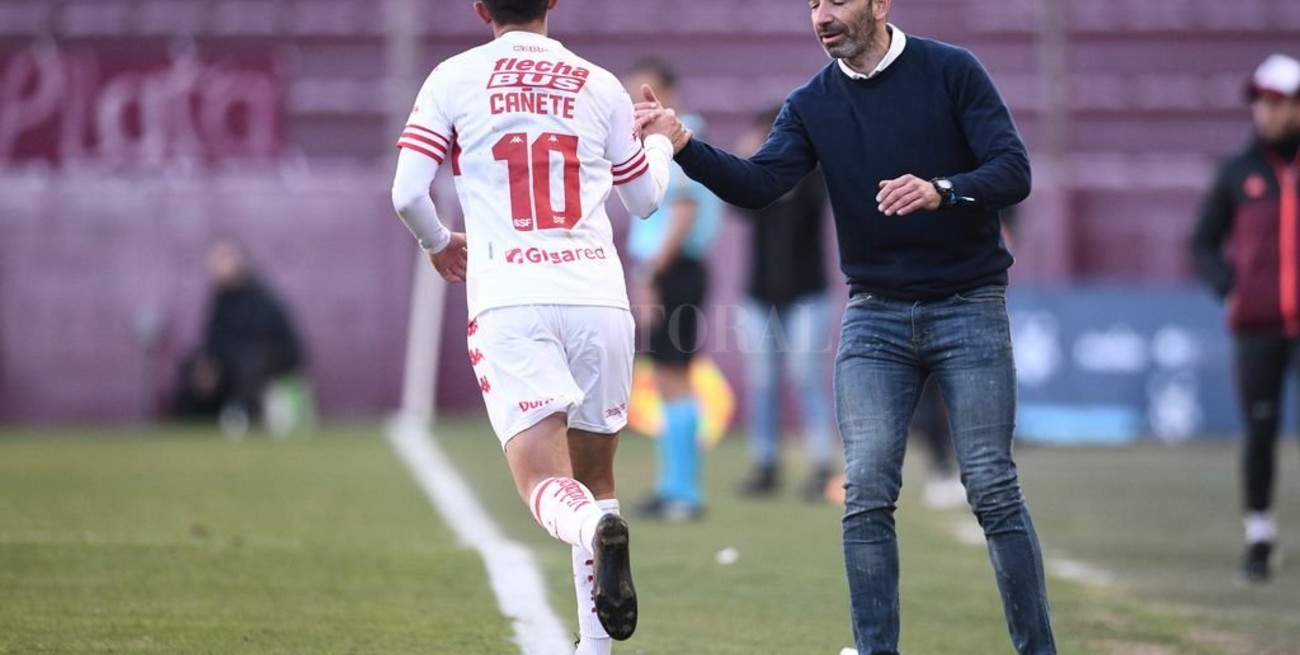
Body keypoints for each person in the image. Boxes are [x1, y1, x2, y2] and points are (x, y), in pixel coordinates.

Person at [636, 0, 1056, 652]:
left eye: (836, 0)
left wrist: (941, 188)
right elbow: (759, 184)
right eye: (813, 3)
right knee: (865, 494)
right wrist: (685, 145)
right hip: (875, 316)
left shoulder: (952, 70)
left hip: (968, 304)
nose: (822, 16)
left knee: (992, 488)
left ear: (880, 3)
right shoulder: (812, 103)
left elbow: (1013, 170)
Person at [388, 0, 675, 649]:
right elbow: (645, 200)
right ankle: (595, 645)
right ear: (552, 1)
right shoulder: (600, 84)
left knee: (546, 482)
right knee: (596, 479)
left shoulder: (454, 77)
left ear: (480, 7)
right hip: (598, 297)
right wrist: (660, 138)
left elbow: (407, 193)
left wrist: (438, 241)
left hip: (513, 296)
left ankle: (592, 531)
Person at [1191, 52, 1300, 584]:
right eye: (1260, 101)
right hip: (1259, 325)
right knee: (1259, 431)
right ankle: (1259, 536)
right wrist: (1230, 288)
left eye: (1277, 102)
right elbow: (1202, 241)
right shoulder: (1238, 171)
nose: (1266, 112)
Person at [621, 58, 721, 522]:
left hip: (673, 270)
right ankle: (672, 486)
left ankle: (685, 491)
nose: (638, 105)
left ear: (670, 95)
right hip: (669, 269)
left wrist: (650, 273)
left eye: (647, 94)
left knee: (675, 376)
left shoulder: (675, 139)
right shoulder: (661, 139)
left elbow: (683, 212)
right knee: (665, 377)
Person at [731, 105, 837, 502]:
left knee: (806, 376)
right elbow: (737, 205)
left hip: (807, 292)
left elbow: (816, 199)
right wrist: (746, 163)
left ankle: (821, 463)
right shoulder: (756, 178)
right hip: (760, 295)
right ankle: (765, 463)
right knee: (762, 382)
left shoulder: (812, 173)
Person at [171, 238, 305, 436]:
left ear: (238, 262)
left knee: (249, 361)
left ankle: (247, 417)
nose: (216, 267)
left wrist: (221, 360)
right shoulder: (221, 298)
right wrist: (207, 363)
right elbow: (214, 337)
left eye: (222, 261)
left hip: (273, 358)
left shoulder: (259, 295)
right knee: (194, 366)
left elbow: (260, 339)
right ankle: (194, 425)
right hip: (234, 358)